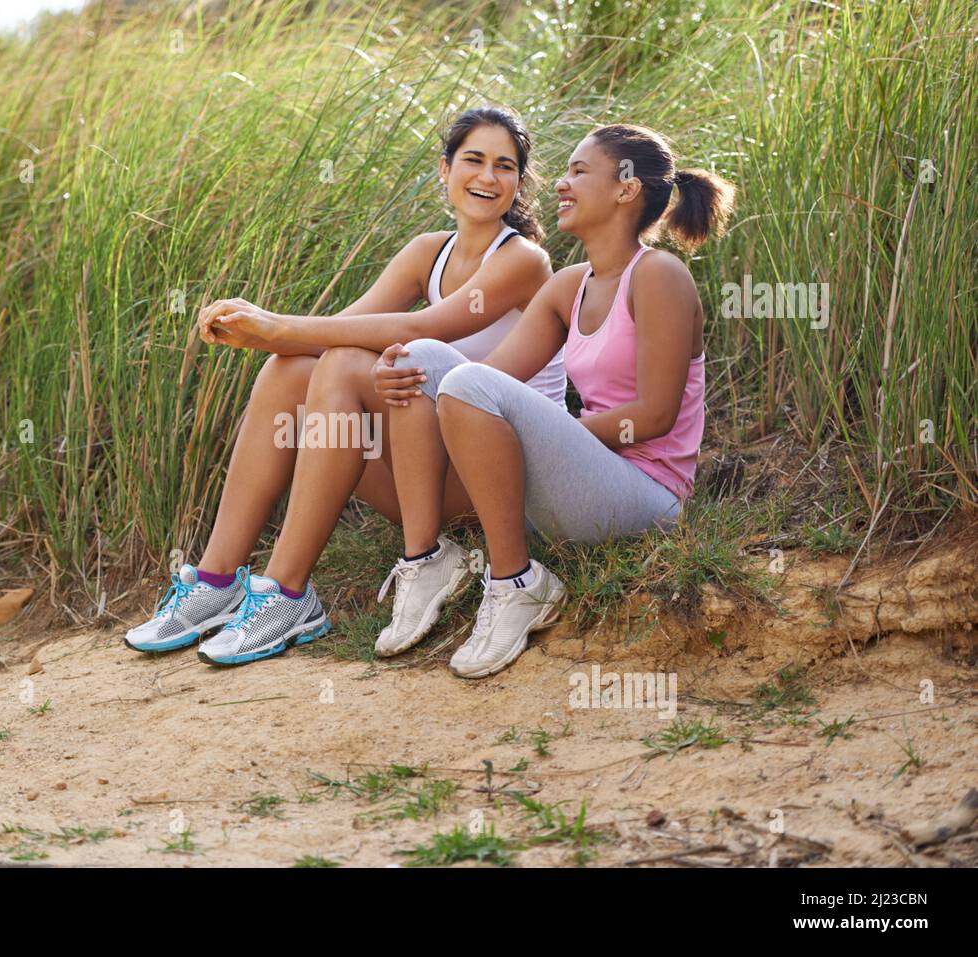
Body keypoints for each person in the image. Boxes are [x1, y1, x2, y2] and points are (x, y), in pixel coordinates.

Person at [124, 106, 566, 662]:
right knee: (291, 371)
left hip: (504, 482)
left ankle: (286, 591)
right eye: (473, 160)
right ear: (444, 169)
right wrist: (254, 329)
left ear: (519, 184)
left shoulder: (523, 260)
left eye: (505, 167)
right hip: (433, 470)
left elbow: (418, 329)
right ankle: (217, 582)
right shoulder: (428, 252)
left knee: (338, 365)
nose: (486, 177)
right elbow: (347, 328)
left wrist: (277, 326)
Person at [376, 123, 737, 677]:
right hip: (578, 485)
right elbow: (481, 382)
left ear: (624, 188)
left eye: (578, 172)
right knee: (421, 360)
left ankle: (517, 582)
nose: (560, 185)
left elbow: (656, 415)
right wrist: (413, 385)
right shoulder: (570, 285)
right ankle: (424, 560)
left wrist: (551, 435)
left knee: (467, 385)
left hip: (646, 497)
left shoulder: (660, 276)